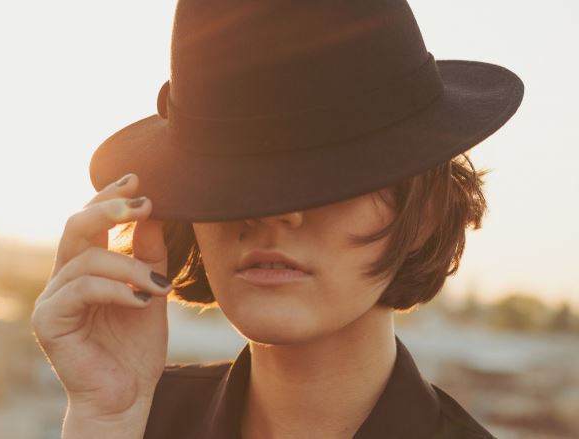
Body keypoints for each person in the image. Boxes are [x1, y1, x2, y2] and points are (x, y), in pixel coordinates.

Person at [31, 0, 524, 438]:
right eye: (232, 177)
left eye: (330, 176)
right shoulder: (132, 418)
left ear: (424, 216)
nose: (272, 212)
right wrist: (104, 421)